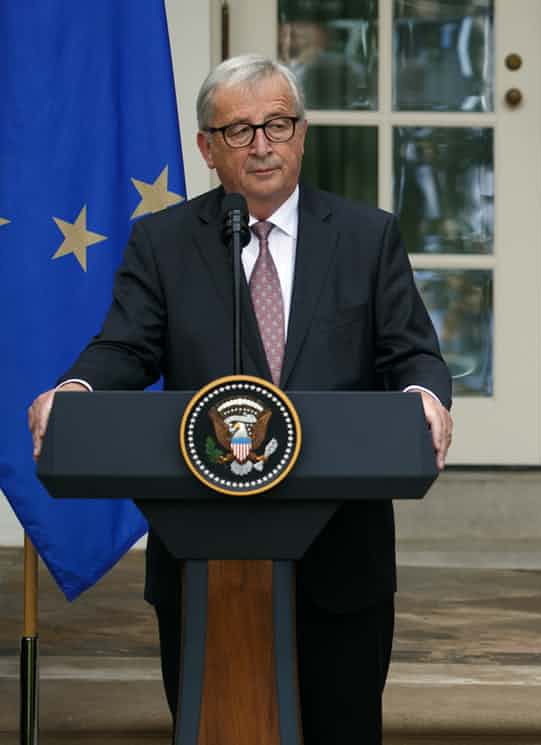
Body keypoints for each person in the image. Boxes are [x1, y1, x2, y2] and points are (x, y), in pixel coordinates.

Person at [26, 54, 452, 744]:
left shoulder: (366, 237)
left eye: (278, 124)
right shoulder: (163, 244)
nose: (263, 144)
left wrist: (423, 396)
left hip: (340, 566)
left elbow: (412, 353)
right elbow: (125, 348)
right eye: (240, 130)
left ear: (302, 134)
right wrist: (76, 390)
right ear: (206, 148)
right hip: (203, 564)